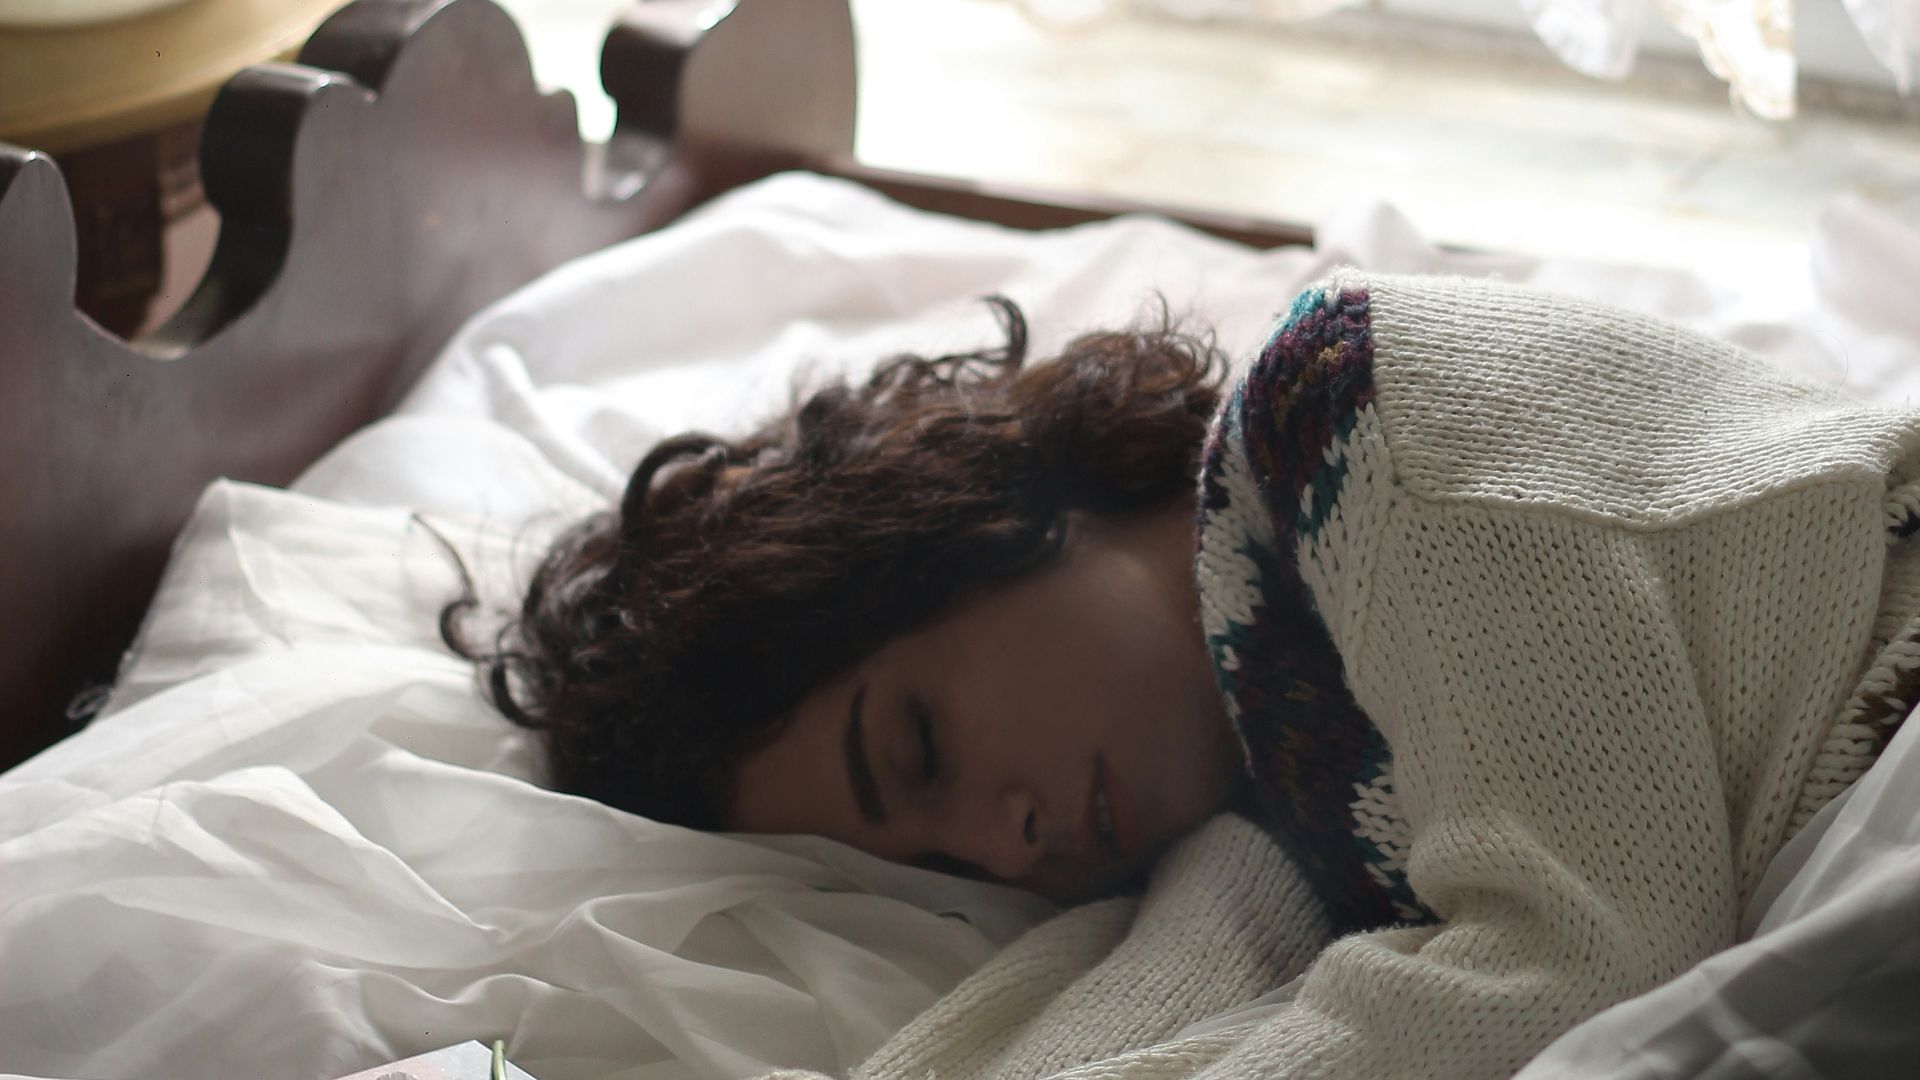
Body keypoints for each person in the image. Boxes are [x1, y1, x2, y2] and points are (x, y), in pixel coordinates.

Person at [449, 270, 1920, 1079]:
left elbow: (1583, 958)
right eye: (944, 864)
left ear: (972, 519)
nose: (1005, 847)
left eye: (919, 751)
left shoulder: (1351, 419)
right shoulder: (1268, 756)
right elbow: (1159, 988)